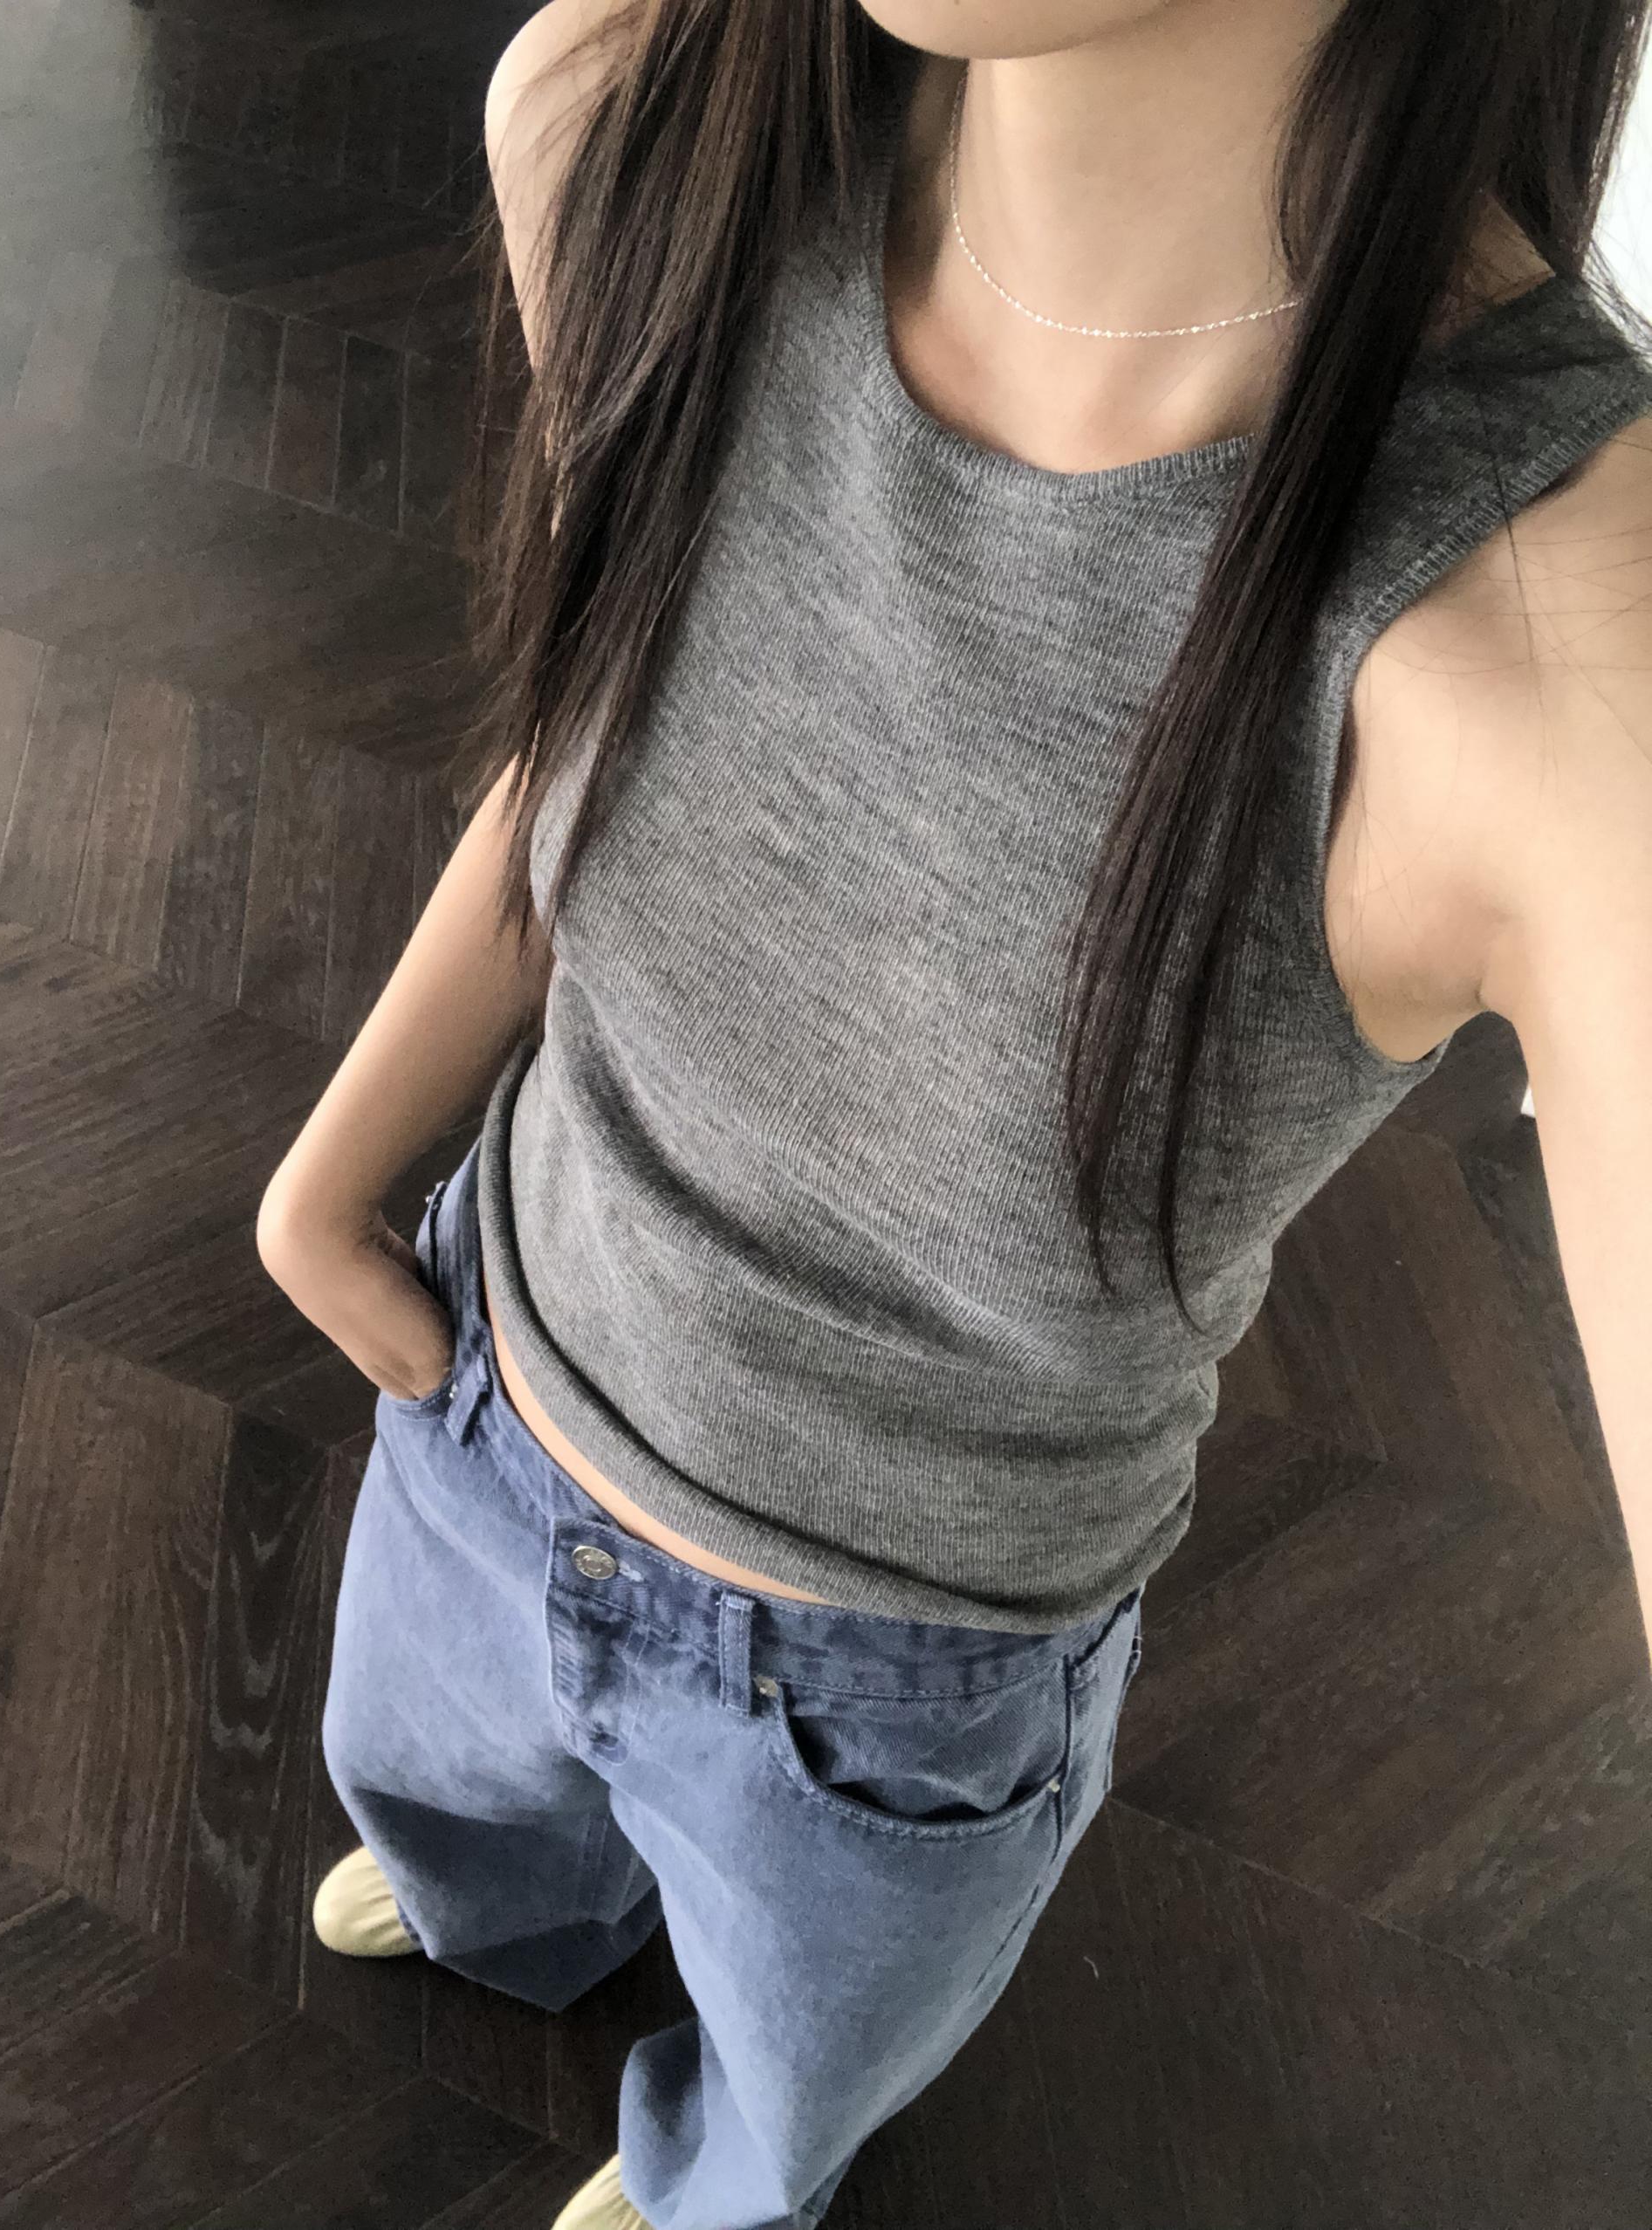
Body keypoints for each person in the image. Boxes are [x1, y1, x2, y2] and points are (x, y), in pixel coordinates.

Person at [256, 1, 1652, 2225]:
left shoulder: (1550, 636)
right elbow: (613, 735)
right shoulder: (634, 133)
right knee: (439, 1807)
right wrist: (327, 1189)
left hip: (878, 1703)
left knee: (793, 2077)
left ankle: (717, 2180)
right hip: (487, 1400)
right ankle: (497, 1906)